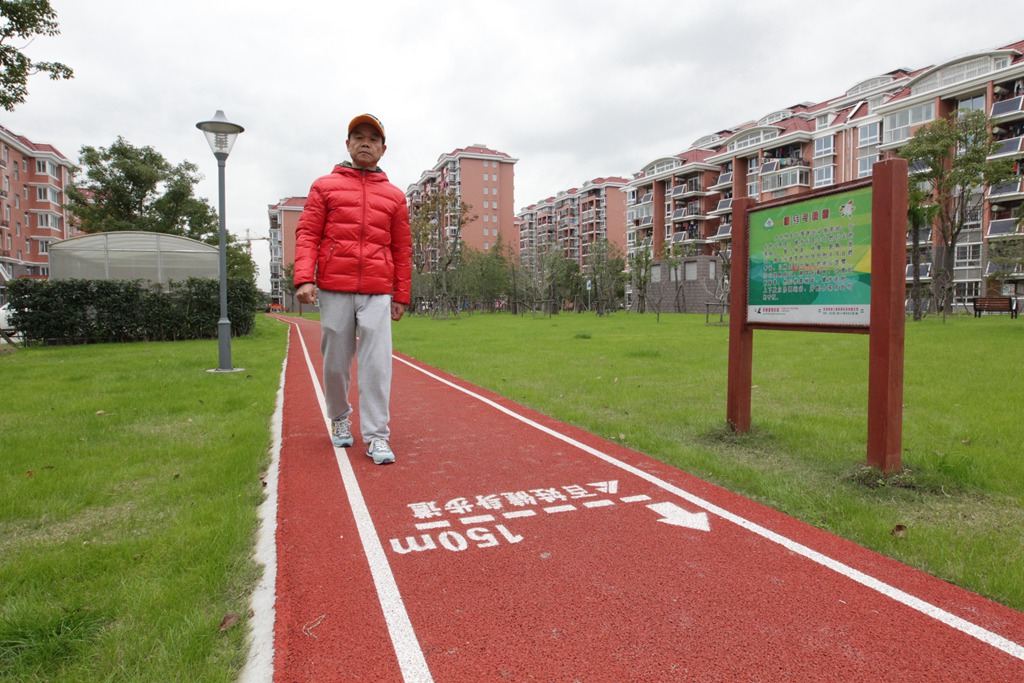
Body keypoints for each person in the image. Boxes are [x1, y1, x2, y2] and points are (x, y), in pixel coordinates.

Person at [293, 113, 412, 465]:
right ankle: (340, 417)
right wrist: (304, 278)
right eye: (358, 137)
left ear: (383, 149)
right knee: (335, 362)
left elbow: (402, 249)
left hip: (377, 289)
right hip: (335, 286)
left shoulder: (393, 196)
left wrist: (401, 294)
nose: (365, 143)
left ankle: (377, 436)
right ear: (347, 144)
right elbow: (308, 234)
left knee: (377, 365)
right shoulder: (324, 187)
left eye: (373, 139)